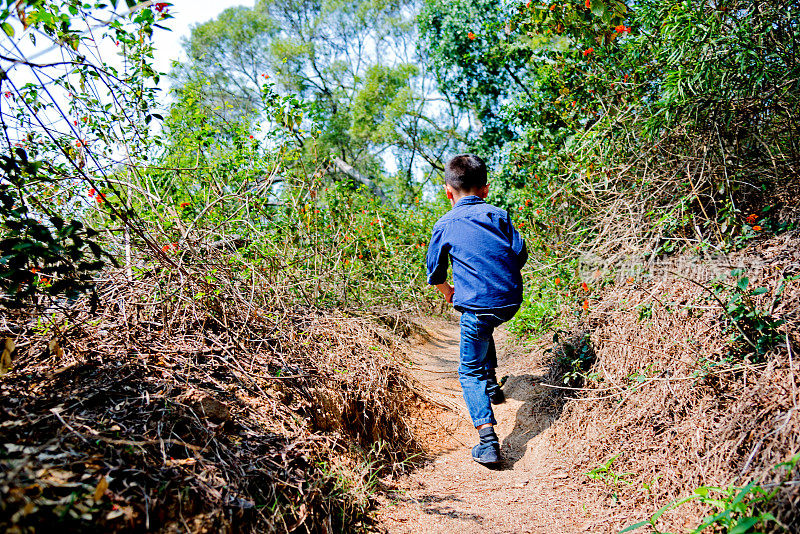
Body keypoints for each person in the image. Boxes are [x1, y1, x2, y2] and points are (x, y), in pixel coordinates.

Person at [426, 154, 527, 466]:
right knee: (486, 324)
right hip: (510, 300)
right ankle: (493, 384)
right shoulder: (499, 215)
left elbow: (435, 271)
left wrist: (448, 292)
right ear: (485, 189)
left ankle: (487, 441)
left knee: (468, 368)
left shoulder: (444, 223)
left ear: (448, 191)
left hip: (478, 306)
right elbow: (520, 253)